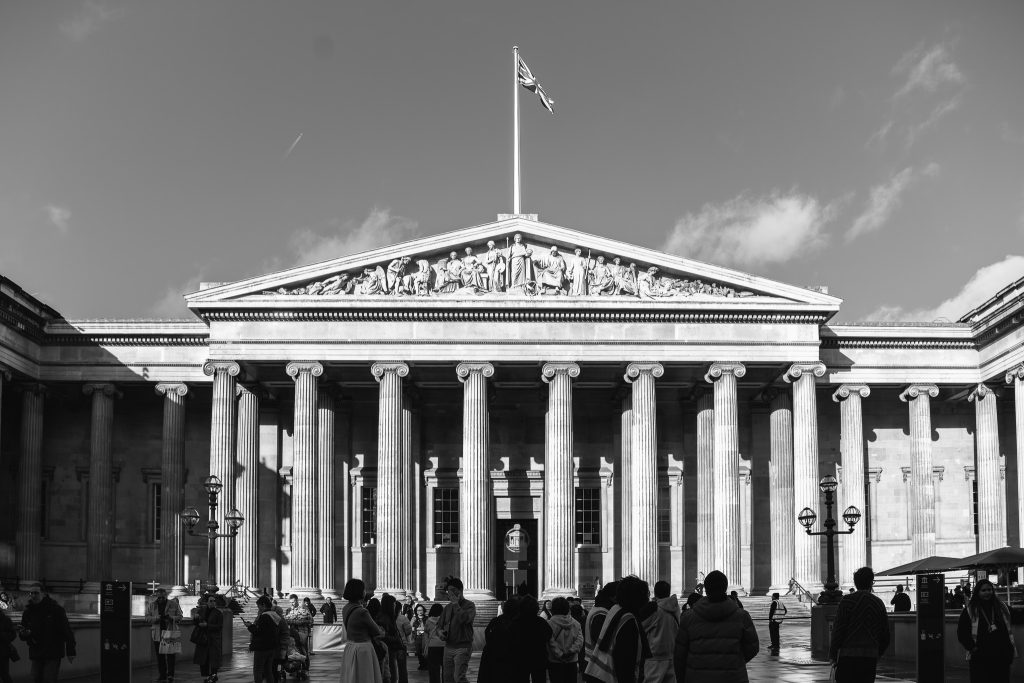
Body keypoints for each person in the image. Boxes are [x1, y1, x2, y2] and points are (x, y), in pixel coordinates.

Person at [674, 570, 758, 682]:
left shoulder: (688, 618)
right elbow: (752, 648)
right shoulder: (742, 616)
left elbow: (679, 655)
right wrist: (734, 661)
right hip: (732, 677)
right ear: (725, 587)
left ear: (706, 589)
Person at [828, 566, 890, 683]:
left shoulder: (847, 601)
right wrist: (877, 653)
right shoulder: (878, 603)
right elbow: (885, 634)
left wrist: (833, 654)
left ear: (856, 583)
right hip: (869, 658)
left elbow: (838, 630)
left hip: (848, 656)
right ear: (871, 583)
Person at [585, 575, 651, 683]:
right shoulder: (628, 620)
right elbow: (625, 661)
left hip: (600, 673)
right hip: (613, 676)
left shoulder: (615, 610)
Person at [957, 578, 1018, 682]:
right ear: (977, 592)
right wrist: (972, 648)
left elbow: (1017, 617)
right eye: (983, 590)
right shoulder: (970, 610)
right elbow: (962, 632)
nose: (987, 593)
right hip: (980, 658)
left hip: (1001, 657)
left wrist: (1008, 652)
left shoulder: (1001, 606)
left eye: (989, 590)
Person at [19, 583, 76, 683]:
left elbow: (66, 631)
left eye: (36, 593)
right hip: (36, 651)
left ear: (44, 594)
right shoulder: (28, 612)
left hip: (52, 652)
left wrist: (70, 651)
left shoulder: (56, 610)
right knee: (35, 678)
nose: (33, 595)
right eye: (31, 593)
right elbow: (23, 632)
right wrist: (24, 634)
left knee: (48, 679)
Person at [339, 579, 383, 683]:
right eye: (363, 589)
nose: (365, 591)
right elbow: (377, 631)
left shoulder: (346, 608)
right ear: (359, 591)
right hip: (362, 648)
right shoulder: (362, 611)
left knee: (352, 677)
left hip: (350, 647)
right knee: (364, 677)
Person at [438, 577, 475, 683]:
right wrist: (440, 632)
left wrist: (456, 605)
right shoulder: (447, 608)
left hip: (463, 647)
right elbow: (439, 626)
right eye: (448, 590)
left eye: (453, 590)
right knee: (447, 678)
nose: (450, 593)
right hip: (448, 646)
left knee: (459, 677)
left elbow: (465, 619)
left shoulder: (469, 605)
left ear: (460, 590)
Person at [640, 581, 679, 683]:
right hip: (671, 656)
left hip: (655, 658)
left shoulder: (655, 610)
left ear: (655, 593)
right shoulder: (675, 608)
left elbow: (640, 628)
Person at [583, 582, 618, 683]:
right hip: (597, 663)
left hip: (592, 660)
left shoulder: (598, 609)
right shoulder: (602, 613)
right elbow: (601, 640)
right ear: (613, 597)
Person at [511, 594, 551, 683]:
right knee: (539, 679)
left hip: (520, 658)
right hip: (539, 657)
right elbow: (548, 635)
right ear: (536, 608)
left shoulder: (515, 622)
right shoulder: (541, 622)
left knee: (521, 679)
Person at [146, 587, 182, 683]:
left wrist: (171, 618)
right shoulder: (152, 605)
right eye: (159, 597)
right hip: (157, 633)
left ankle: (170, 675)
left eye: (163, 597)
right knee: (159, 656)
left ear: (165, 596)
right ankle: (162, 675)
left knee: (170, 656)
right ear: (157, 596)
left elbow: (180, 616)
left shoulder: (173, 604)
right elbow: (147, 617)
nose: (161, 599)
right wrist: (156, 618)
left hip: (169, 632)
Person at [478, 598, 519, 683]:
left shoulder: (496, 620)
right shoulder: (518, 622)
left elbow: (487, 633)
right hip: (510, 657)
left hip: (492, 654)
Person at [546, 597, 584, 683]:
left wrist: (560, 654)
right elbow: (579, 641)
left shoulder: (549, 624)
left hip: (555, 662)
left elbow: (550, 641)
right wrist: (571, 651)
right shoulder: (576, 623)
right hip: (572, 661)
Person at [247, 595, 281, 683]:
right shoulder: (274, 616)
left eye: (259, 606)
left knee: (258, 670)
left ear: (263, 605)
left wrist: (250, 626)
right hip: (271, 647)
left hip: (262, 647)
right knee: (268, 671)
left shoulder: (264, 616)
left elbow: (259, 632)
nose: (259, 609)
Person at [192, 594, 223, 683]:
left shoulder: (218, 613)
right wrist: (196, 619)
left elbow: (219, 626)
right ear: (207, 602)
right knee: (204, 658)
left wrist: (207, 625)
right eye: (211, 601)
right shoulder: (202, 611)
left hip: (213, 639)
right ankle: (207, 676)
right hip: (203, 638)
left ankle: (214, 675)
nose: (212, 603)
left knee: (213, 658)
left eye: (214, 601)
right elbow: (196, 623)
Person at [423, 603, 445, 683]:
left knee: (433, 670)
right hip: (444, 645)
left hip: (432, 646)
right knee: (445, 669)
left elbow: (426, 635)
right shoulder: (444, 620)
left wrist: (425, 647)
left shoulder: (428, 621)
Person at [1, 600, 18, 683]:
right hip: (3, 651)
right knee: (4, 674)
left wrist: (2, 635)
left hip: (2, 651)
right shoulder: (5, 619)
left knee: (4, 674)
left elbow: (12, 634)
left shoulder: (5, 620)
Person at [410, 603, 429, 670]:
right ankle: (421, 664)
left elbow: (428, 628)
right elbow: (411, 628)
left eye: (421, 610)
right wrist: (417, 629)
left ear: (423, 610)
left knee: (425, 651)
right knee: (418, 651)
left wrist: (422, 629)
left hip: (425, 637)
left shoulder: (427, 618)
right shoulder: (414, 619)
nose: (420, 612)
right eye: (418, 610)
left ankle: (426, 664)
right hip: (418, 637)